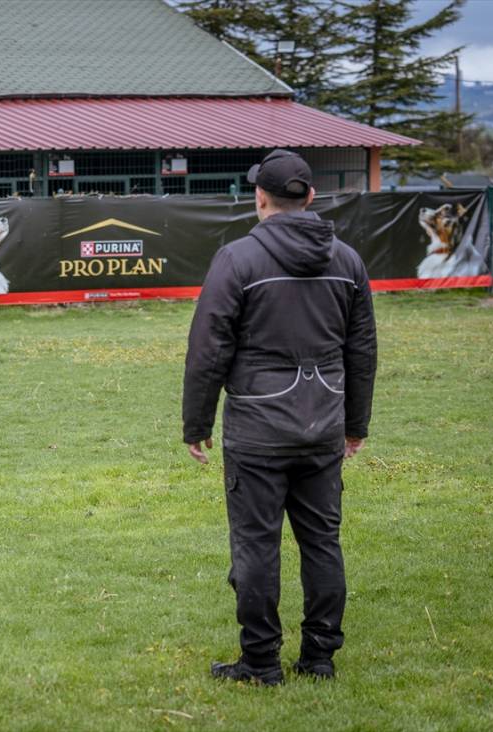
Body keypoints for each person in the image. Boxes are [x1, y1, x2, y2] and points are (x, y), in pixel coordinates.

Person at [182, 149, 377, 686]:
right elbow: (362, 350)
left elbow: (208, 348)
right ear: (310, 197)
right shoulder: (349, 261)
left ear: (259, 197)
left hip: (258, 430)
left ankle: (262, 663)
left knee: (255, 545)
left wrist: (196, 425)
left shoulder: (236, 259)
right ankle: (319, 657)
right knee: (322, 542)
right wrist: (354, 424)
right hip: (322, 426)